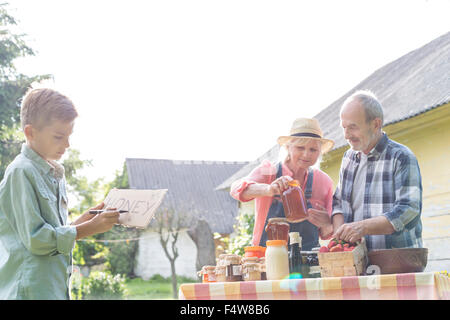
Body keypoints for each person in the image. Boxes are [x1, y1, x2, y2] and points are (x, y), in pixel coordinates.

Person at [0, 88, 120, 299]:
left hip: (52, 289)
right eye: (58, 137)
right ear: (30, 133)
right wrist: (89, 229)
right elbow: (37, 239)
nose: (67, 144)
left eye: (69, 136)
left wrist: (84, 220)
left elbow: (54, 233)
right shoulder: (20, 172)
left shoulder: (55, 174)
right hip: (28, 291)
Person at [331, 90, 423, 251]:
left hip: (397, 262)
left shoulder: (401, 157)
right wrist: (340, 237)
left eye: (353, 127)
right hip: (358, 261)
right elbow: (338, 203)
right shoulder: (348, 158)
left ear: (375, 124)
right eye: (344, 127)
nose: (346, 135)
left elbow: (408, 210)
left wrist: (363, 227)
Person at [230, 118, 335, 250]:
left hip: (307, 259)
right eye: (300, 148)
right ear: (288, 147)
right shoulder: (269, 171)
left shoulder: (324, 182)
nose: (306, 154)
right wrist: (268, 189)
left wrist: (327, 225)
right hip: (267, 256)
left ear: (320, 152)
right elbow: (236, 189)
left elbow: (327, 232)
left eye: (313, 150)